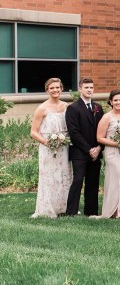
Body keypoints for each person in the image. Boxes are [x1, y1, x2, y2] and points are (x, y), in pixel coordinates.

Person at [29, 78, 72, 218]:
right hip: (48, 148)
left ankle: (64, 207)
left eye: (57, 87)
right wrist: (47, 142)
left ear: (61, 89)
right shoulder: (42, 108)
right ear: (47, 90)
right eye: (52, 88)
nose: (55, 90)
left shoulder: (66, 106)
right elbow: (33, 132)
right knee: (49, 176)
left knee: (64, 174)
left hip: (64, 147)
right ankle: (47, 208)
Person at [65, 77, 103, 216]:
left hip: (96, 151)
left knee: (93, 182)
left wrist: (99, 148)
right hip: (79, 152)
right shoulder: (72, 108)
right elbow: (74, 132)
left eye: (91, 87)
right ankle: (71, 212)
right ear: (80, 89)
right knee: (78, 180)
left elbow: (102, 130)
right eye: (86, 87)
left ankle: (91, 211)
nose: (89, 90)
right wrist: (88, 149)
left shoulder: (98, 107)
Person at [96, 89, 120, 219]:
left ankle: (117, 210)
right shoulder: (106, 117)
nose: (119, 102)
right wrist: (117, 143)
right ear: (111, 102)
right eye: (116, 100)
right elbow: (100, 138)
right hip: (112, 152)